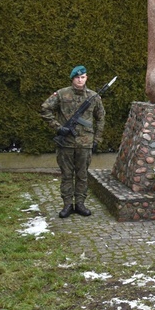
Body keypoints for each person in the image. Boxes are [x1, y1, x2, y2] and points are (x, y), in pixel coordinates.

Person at [40, 65, 105, 218]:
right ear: (72, 78)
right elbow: (45, 109)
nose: (80, 80)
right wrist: (58, 128)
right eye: (77, 77)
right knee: (67, 175)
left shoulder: (94, 97)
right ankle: (68, 205)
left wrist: (97, 139)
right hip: (66, 143)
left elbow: (101, 118)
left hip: (85, 143)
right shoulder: (62, 94)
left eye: (83, 77)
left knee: (82, 175)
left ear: (86, 78)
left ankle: (80, 204)